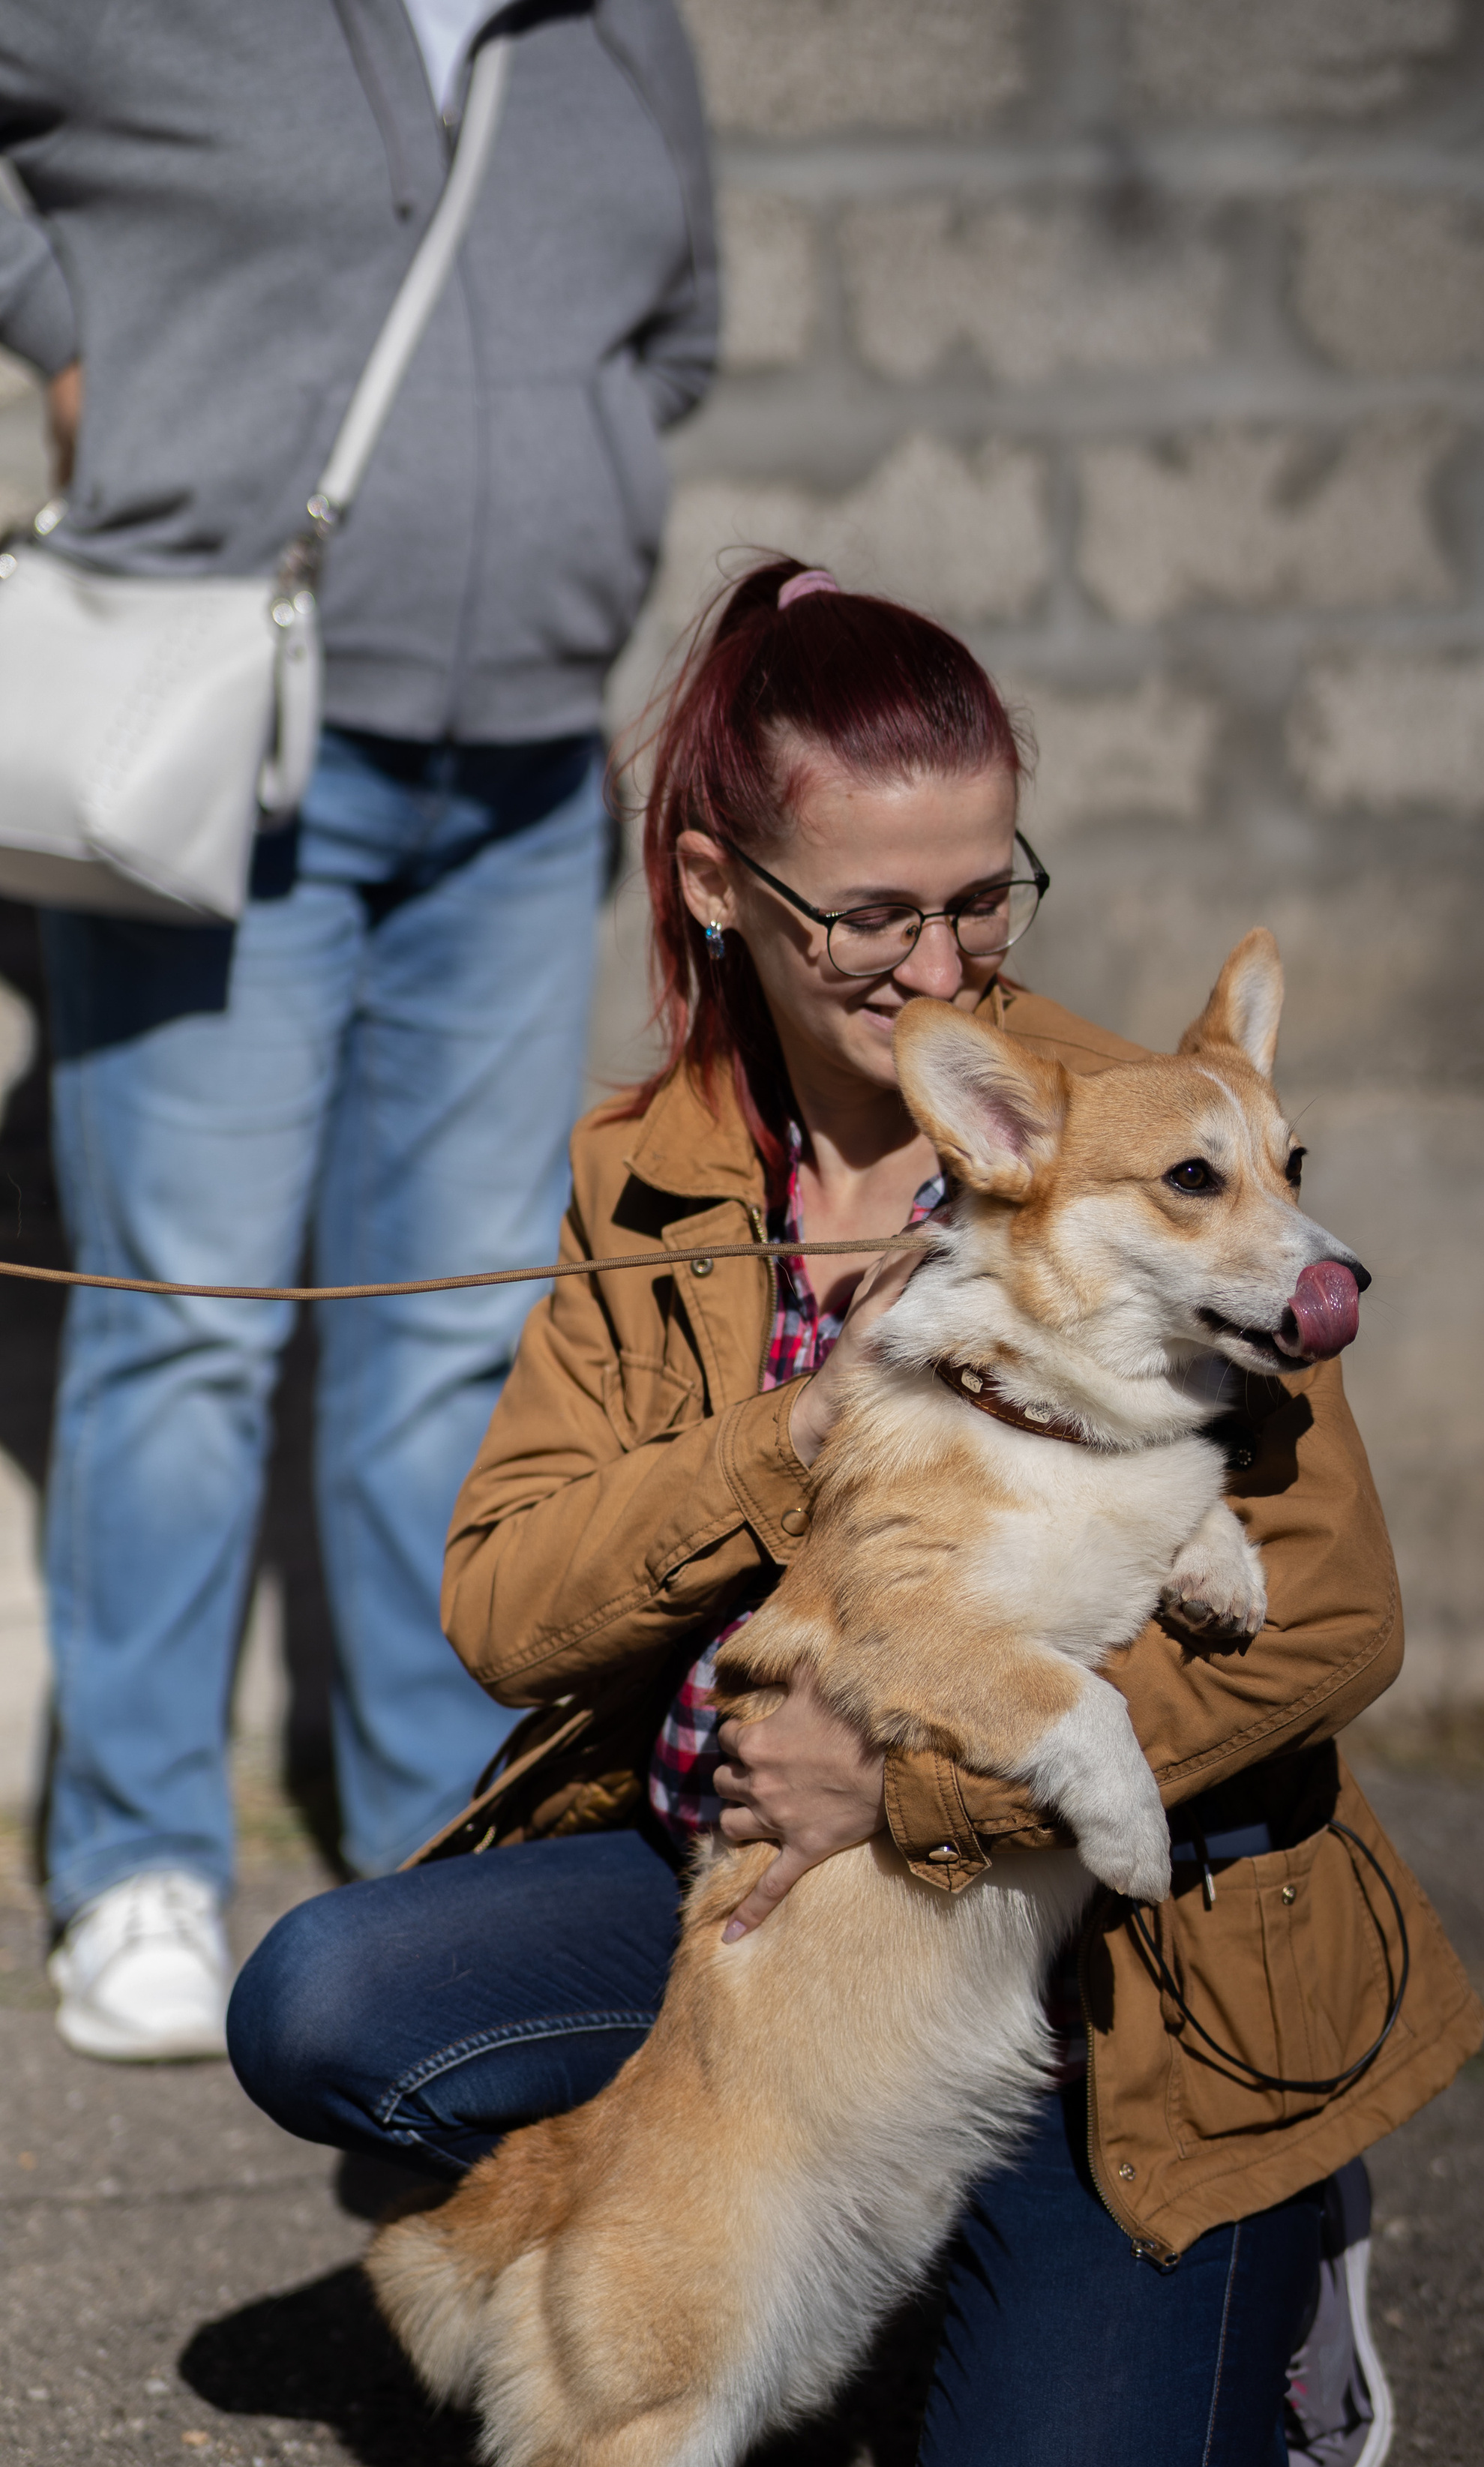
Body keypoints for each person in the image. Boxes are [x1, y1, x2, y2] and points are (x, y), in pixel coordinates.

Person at [227, 561, 1484, 2467]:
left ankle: (1241, 2234)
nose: (941, 964)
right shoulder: (660, 1175)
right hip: (751, 1904)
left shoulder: (1146, 1149)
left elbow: (1330, 1623)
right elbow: (506, 1602)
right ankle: (692, 2259)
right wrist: (792, 1434)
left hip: (1121, 1971)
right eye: (873, 915)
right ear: (721, 887)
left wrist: (914, 1791)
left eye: (983, 895)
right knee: (327, 2004)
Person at [0, 0, 717, 2061]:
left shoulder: (614, 23)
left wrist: (565, 462)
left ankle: (437, 1835)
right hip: (221, 753)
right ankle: (138, 1856)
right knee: (191, 1314)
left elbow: (679, 329)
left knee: (450, 1326)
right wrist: (82, 338)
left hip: (524, 775)